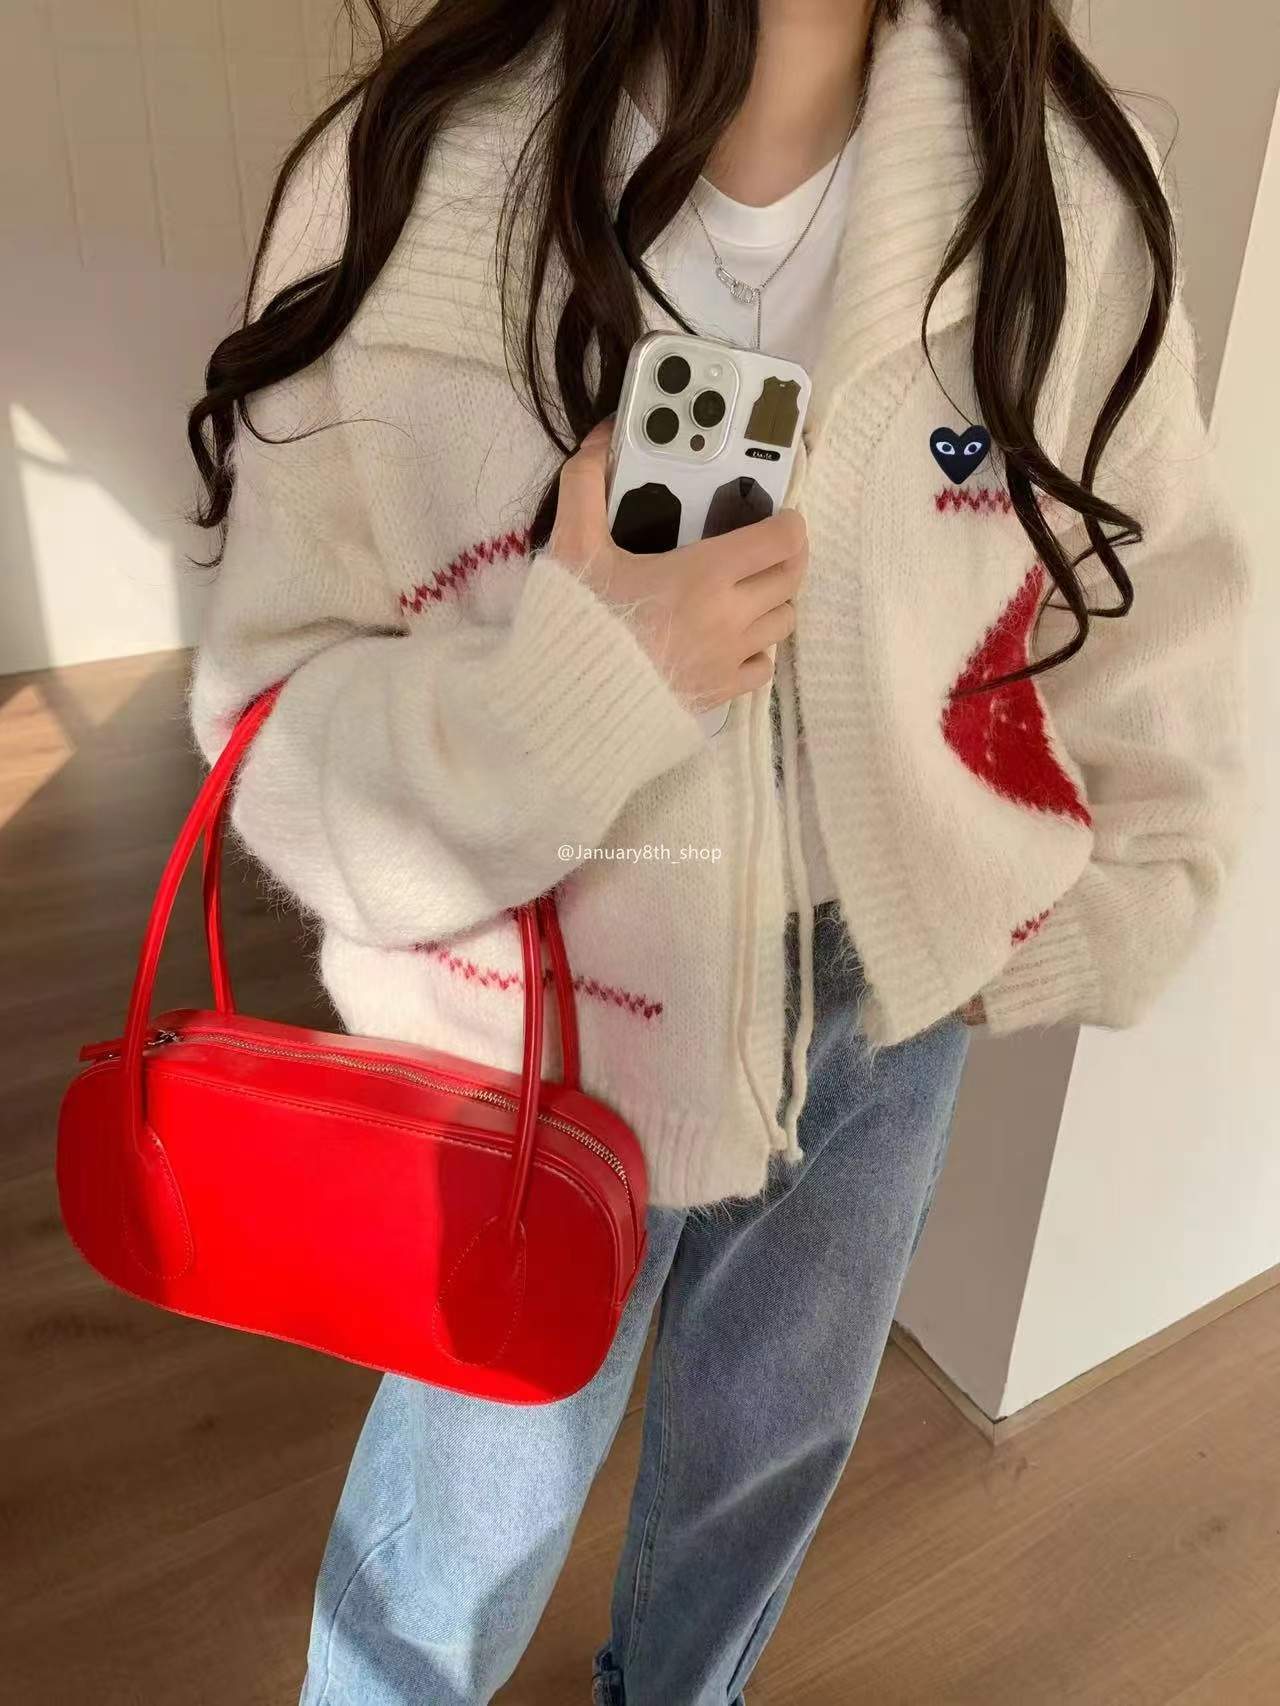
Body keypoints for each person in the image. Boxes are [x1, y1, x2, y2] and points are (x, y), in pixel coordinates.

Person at [185, 1, 1249, 1701]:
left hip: (877, 1007)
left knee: (770, 1453)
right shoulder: (415, 171)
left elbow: (1159, 616)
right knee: (466, 1504)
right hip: (535, 1011)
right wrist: (573, 689)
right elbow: (273, 712)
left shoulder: (1060, 196)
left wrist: (1093, 904)